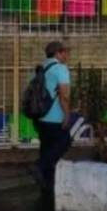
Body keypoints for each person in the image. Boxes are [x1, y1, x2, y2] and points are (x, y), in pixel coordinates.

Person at [34, 41, 72, 196]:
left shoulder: (41, 68)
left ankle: (47, 184)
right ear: (58, 53)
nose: (66, 55)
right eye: (65, 52)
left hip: (40, 116)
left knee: (47, 147)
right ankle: (40, 166)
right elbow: (63, 95)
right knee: (64, 141)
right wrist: (67, 114)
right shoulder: (60, 69)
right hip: (54, 116)